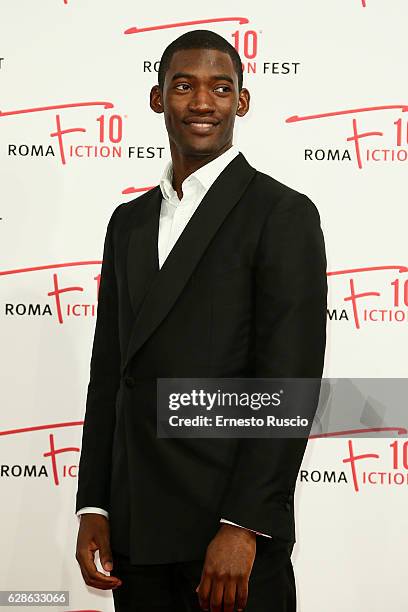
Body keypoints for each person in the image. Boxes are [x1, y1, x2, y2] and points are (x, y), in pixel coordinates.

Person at [75, 29, 327, 612]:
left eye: (220, 87)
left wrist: (245, 524)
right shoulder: (128, 223)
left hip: (227, 541)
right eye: (184, 85)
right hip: (136, 537)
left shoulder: (281, 214)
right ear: (158, 98)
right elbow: (109, 373)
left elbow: (288, 384)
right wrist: (96, 505)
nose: (202, 102)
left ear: (242, 101)